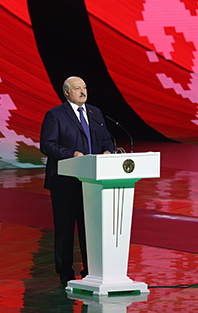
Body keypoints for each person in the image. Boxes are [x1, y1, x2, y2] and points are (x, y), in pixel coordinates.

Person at [40, 76, 114, 286]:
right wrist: (72, 154)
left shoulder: (95, 112)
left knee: (89, 227)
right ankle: (65, 272)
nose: (83, 92)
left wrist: (108, 150)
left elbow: (105, 138)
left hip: (92, 180)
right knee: (65, 229)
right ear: (66, 92)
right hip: (65, 180)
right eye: (77, 88)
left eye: (84, 87)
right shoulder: (55, 115)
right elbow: (47, 145)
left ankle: (90, 269)